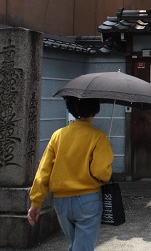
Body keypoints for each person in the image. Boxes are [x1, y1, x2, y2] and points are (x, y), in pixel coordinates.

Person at [28, 98, 114, 251]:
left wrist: (36, 201)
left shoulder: (58, 135)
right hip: (88, 199)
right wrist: (107, 170)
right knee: (82, 247)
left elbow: (43, 171)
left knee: (74, 244)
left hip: (61, 202)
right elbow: (100, 172)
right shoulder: (98, 137)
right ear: (95, 110)